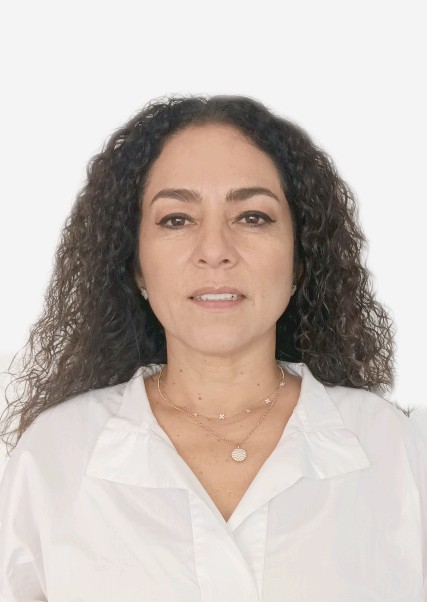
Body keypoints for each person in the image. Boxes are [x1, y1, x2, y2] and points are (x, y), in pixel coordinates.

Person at [0, 94, 425, 601]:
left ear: (300, 259)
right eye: (176, 219)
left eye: (252, 217)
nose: (215, 251)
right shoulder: (53, 459)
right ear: (136, 265)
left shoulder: (396, 451)